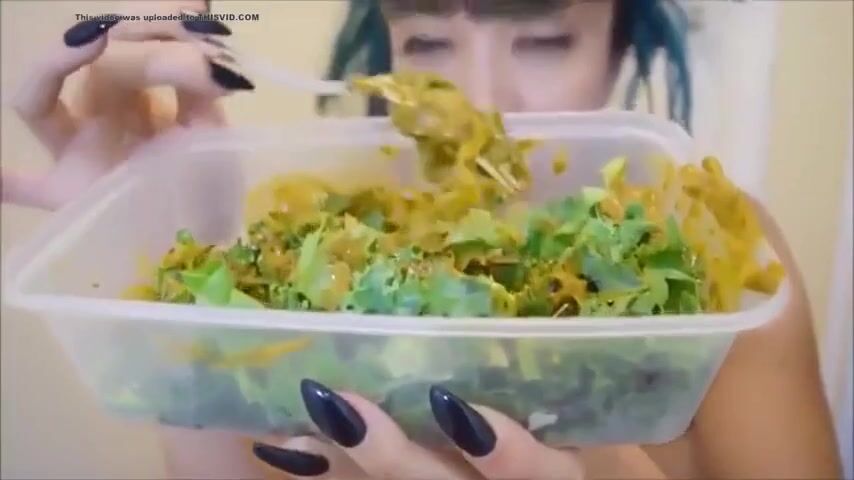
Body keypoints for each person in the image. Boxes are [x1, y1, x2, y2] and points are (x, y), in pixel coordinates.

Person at [2, 1, 842, 478]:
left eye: (545, 39)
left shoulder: (721, 258)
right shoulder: (318, 249)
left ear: (620, 38)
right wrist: (171, 271)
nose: (480, 98)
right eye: (428, 40)